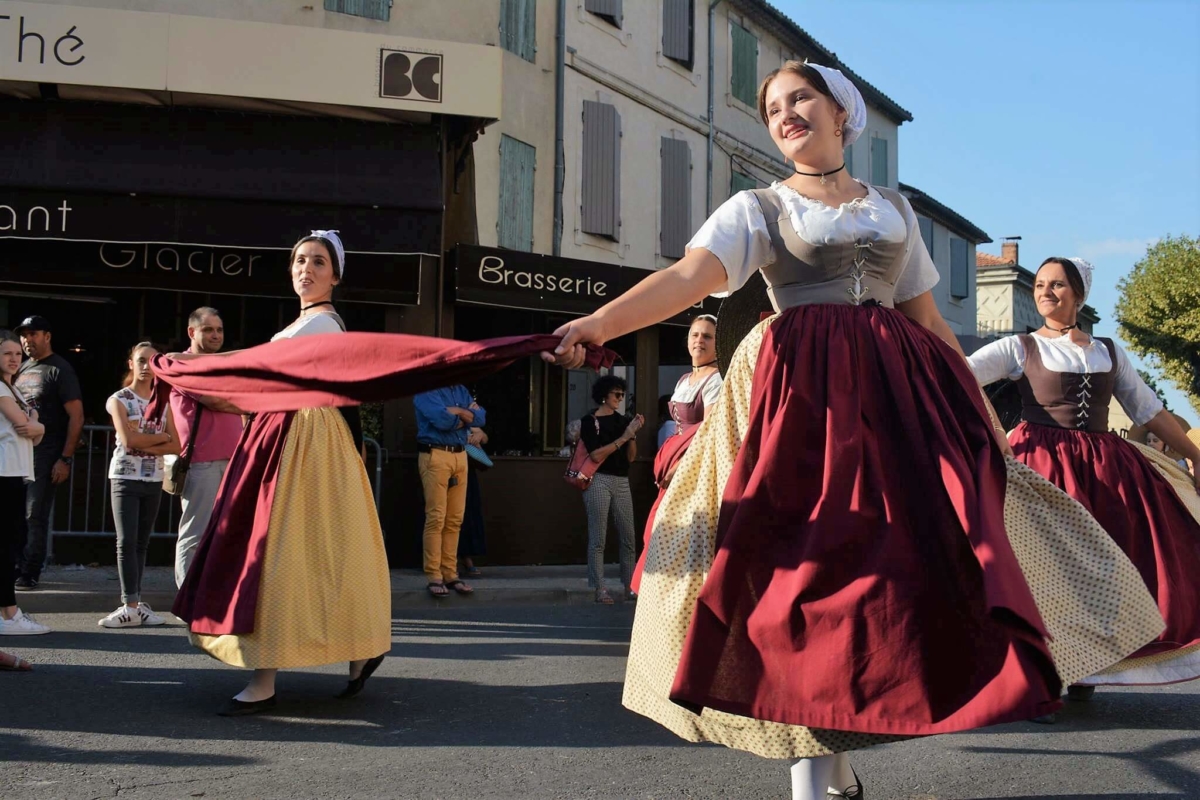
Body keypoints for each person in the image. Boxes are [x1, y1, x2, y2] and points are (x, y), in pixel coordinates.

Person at [541, 62, 1163, 799]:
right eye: (771, 105)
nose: (782, 112)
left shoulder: (895, 209)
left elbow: (929, 325)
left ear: (842, 113)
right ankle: (818, 776)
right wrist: (596, 322)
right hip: (800, 411)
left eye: (799, 97)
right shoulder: (759, 208)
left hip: (898, 411)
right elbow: (687, 278)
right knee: (804, 577)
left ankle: (830, 764)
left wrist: (984, 430)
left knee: (891, 577)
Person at [170, 230, 391, 716]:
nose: (305, 269)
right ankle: (356, 651)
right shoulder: (303, 323)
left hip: (306, 438)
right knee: (305, 552)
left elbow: (259, 368)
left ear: (335, 275)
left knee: (280, 551)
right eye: (298, 261)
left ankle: (268, 674)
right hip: (281, 433)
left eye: (317, 262)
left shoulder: (323, 325)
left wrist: (192, 365)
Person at [969, 256, 1200, 704]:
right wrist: (991, 429)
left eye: (1056, 285)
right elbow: (959, 373)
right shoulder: (1019, 347)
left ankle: (1087, 666)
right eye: (1039, 285)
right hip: (1042, 466)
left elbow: (1148, 410)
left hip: (1105, 472)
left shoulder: (1108, 351)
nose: (1045, 293)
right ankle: (1040, 677)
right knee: (1043, 573)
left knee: (1110, 566)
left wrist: (1194, 454)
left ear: (1079, 294)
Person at [631, 315, 722, 593]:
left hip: (695, 468)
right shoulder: (685, 379)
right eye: (695, 335)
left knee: (683, 532)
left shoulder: (716, 379)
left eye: (707, 336)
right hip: (672, 463)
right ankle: (658, 592)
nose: (699, 341)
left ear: (718, 343)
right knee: (661, 528)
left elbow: (710, 431)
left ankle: (683, 596)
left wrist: (679, 468)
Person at [98, 342, 179, 629]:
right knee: (126, 541)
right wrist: (159, 440)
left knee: (142, 542)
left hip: (153, 478)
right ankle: (128, 604)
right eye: (141, 361)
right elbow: (128, 441)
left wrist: (148, 442)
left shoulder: (164, 401)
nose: (146, 366)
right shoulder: (119, 399)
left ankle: (137, 602)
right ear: (131, 363)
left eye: (152, 361)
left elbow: (178, 443)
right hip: (124, 477)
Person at [170, 307, 244, 588]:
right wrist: (257, 403)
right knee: (195, 534)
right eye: (208, 330)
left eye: (220, 330)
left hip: (234, 458)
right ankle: (188, 600)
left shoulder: (224, 364)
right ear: (192, 332)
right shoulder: (181, 364)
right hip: (202, 461)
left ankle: (214, 596)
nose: (216, 335)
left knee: (226, 533)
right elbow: (217, 401)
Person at [13, 315, 84, 590]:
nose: (28, 340)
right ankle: (15, 566)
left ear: (47, 336)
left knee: (35, 513)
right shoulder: (22, 367)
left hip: (47, 452)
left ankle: (30, 572)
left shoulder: (60, 369)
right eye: (24, 335)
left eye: (34, 334)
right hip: (18, 452)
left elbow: (76, 417)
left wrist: (65, 458)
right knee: (15, 513)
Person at [413, 385, 486, 598]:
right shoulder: (427, 390)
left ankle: (450, 573)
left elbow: (481, 418)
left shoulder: (462, 390)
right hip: (435, 453)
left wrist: (457, 412)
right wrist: (467, 413)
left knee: (455, 519)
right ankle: (434, 575)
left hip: (460, 454)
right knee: (436, 517)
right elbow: (441, 420)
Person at [0, 330, 50, 638]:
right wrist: (37, 422)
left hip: (13, 472)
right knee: (8, 546)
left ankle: (8, 612)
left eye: (17, 354)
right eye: (7, 353)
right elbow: (25, 425)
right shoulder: (3, 390)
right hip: (3, 473)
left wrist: (34, 424)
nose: (14, 358)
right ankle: (10, 613)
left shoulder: (11, 388)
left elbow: (32, 430)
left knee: (10, 543)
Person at [578, 375, 643, 605]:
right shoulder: (590, 421)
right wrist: (623, 437)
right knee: (598, 537)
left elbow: (632, 458)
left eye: (622, 395)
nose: (620, 399)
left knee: (628, 536)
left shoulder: (623, 421)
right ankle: (600, 588)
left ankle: (629, 587)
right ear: (604, 395)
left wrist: (632, 435)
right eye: (616, 394)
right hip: (598, 480)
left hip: (621, 480)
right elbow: (595, 455)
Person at [459, 426, 489, 578]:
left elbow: (484, 437)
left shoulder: (466, 409)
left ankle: (466, 556)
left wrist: (479, 434)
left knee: (468, 511)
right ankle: (441, 560)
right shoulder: (436, 407)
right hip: (445, 460)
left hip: (467, 468)